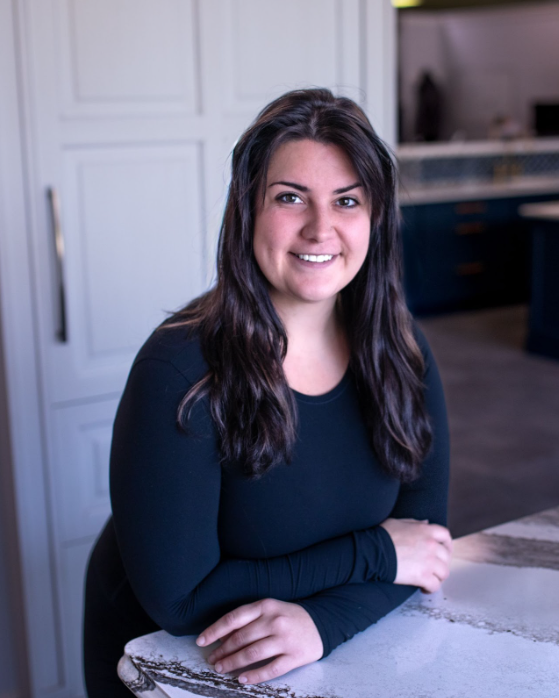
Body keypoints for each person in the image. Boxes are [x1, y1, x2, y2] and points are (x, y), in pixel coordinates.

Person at [83, 88, 452, 697]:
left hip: (313, 658)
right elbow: (182, 600)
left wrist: (322, 622)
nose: (320, 228)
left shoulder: (401, 349)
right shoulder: (180, 370)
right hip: (170, 664)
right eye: (289, 197)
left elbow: (427, 548)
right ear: (247, 208)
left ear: (374, 216)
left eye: (347, 200)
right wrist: (376, 557)